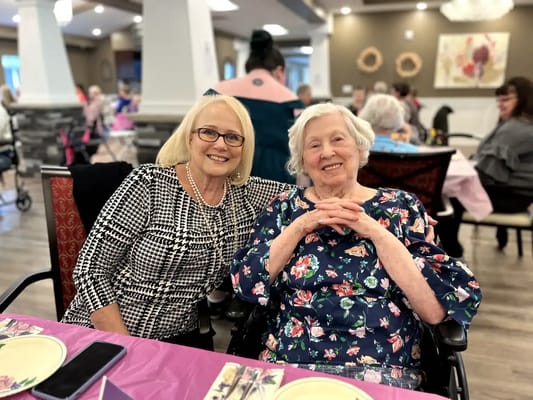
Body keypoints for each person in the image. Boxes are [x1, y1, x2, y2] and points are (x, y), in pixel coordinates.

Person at [231, 103, 481, 388]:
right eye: (314, 145)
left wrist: (376, 231)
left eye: (338, 139)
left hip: (383, 367)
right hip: (290, 361)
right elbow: (246, 285)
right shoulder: (285, 208)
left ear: (360, 147)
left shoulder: (400, 206)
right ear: (301, 160)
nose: (327, 152)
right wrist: (302, 225)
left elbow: (433, 312)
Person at [61, 94, 290, 350]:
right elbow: (91, 271)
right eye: (208, 132)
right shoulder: (149, 183)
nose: (221, 144)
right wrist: (127, 347)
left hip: (178, 341)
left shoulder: (246, 194)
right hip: (105, 331)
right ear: (190, 136)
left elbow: (309, 196)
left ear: (244, 146)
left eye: (233, 137)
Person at [438, 76, 533, 256]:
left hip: (513, 195)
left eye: (506, 99)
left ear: (523, 99)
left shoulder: (516, 128)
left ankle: (450, 252)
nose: (500, 104)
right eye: (499, 99)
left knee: (445, 196)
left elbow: (487, 173)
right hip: (516, 192)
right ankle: (450, 248)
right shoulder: (517, 124)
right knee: (451, 191)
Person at [213, 29, 303, 184]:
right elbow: (302, 150)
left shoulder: (218, 91)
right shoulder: (292, 101)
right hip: (275, 182)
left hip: (227, 173)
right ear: (279, 70)